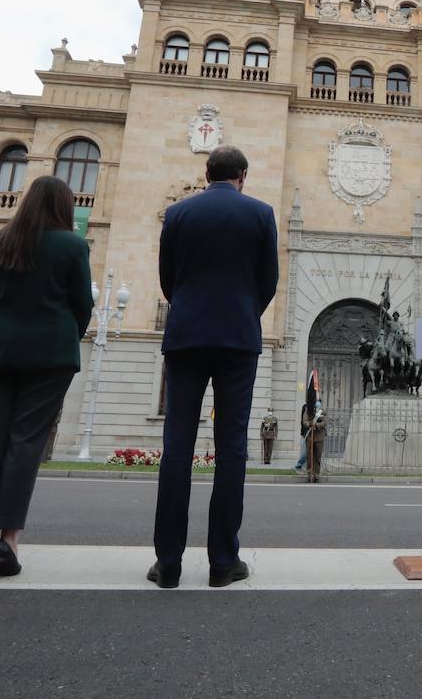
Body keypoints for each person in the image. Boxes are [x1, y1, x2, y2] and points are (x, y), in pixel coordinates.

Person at [149, 146, 278, 590]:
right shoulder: (261, 214)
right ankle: (224, 562)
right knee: (232, 450)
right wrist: (243, 311)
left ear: (207, 174)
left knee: (177, 448)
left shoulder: (178, 214)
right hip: (237, 341)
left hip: (185, 337)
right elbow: (268, 281)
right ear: (243, 175)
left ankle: (168, 563)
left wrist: (187, 307)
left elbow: (168, 278)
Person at [0, 175, 92, 580]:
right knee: (25, 442)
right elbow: (82, 304)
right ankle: (9, 540)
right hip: (49, 355)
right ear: (64, 207)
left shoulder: (0, 241)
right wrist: (66, 332)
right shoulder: (73, 245)